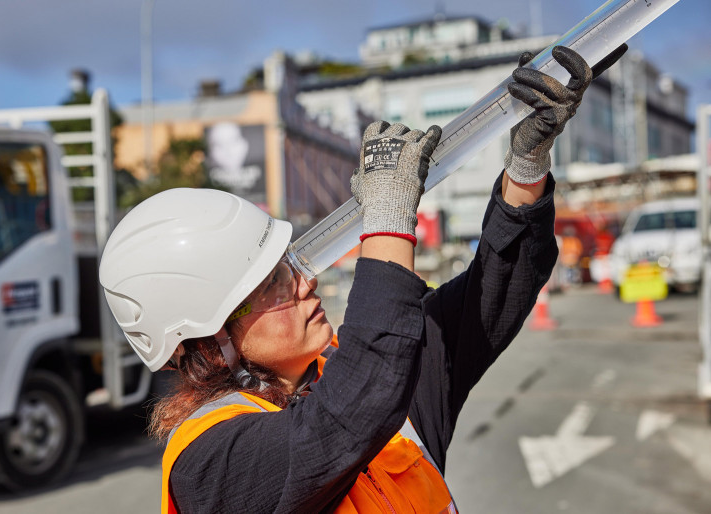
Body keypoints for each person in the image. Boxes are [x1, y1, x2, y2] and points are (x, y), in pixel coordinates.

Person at [99, 44, 626, 513]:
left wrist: (526, 166)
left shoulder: (349, 381)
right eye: (270, 286)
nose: (304, 284)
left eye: (288, 268)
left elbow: (492, 298)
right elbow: (353, 405)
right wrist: (388, 219)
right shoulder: (211, 464)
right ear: (211, 344)